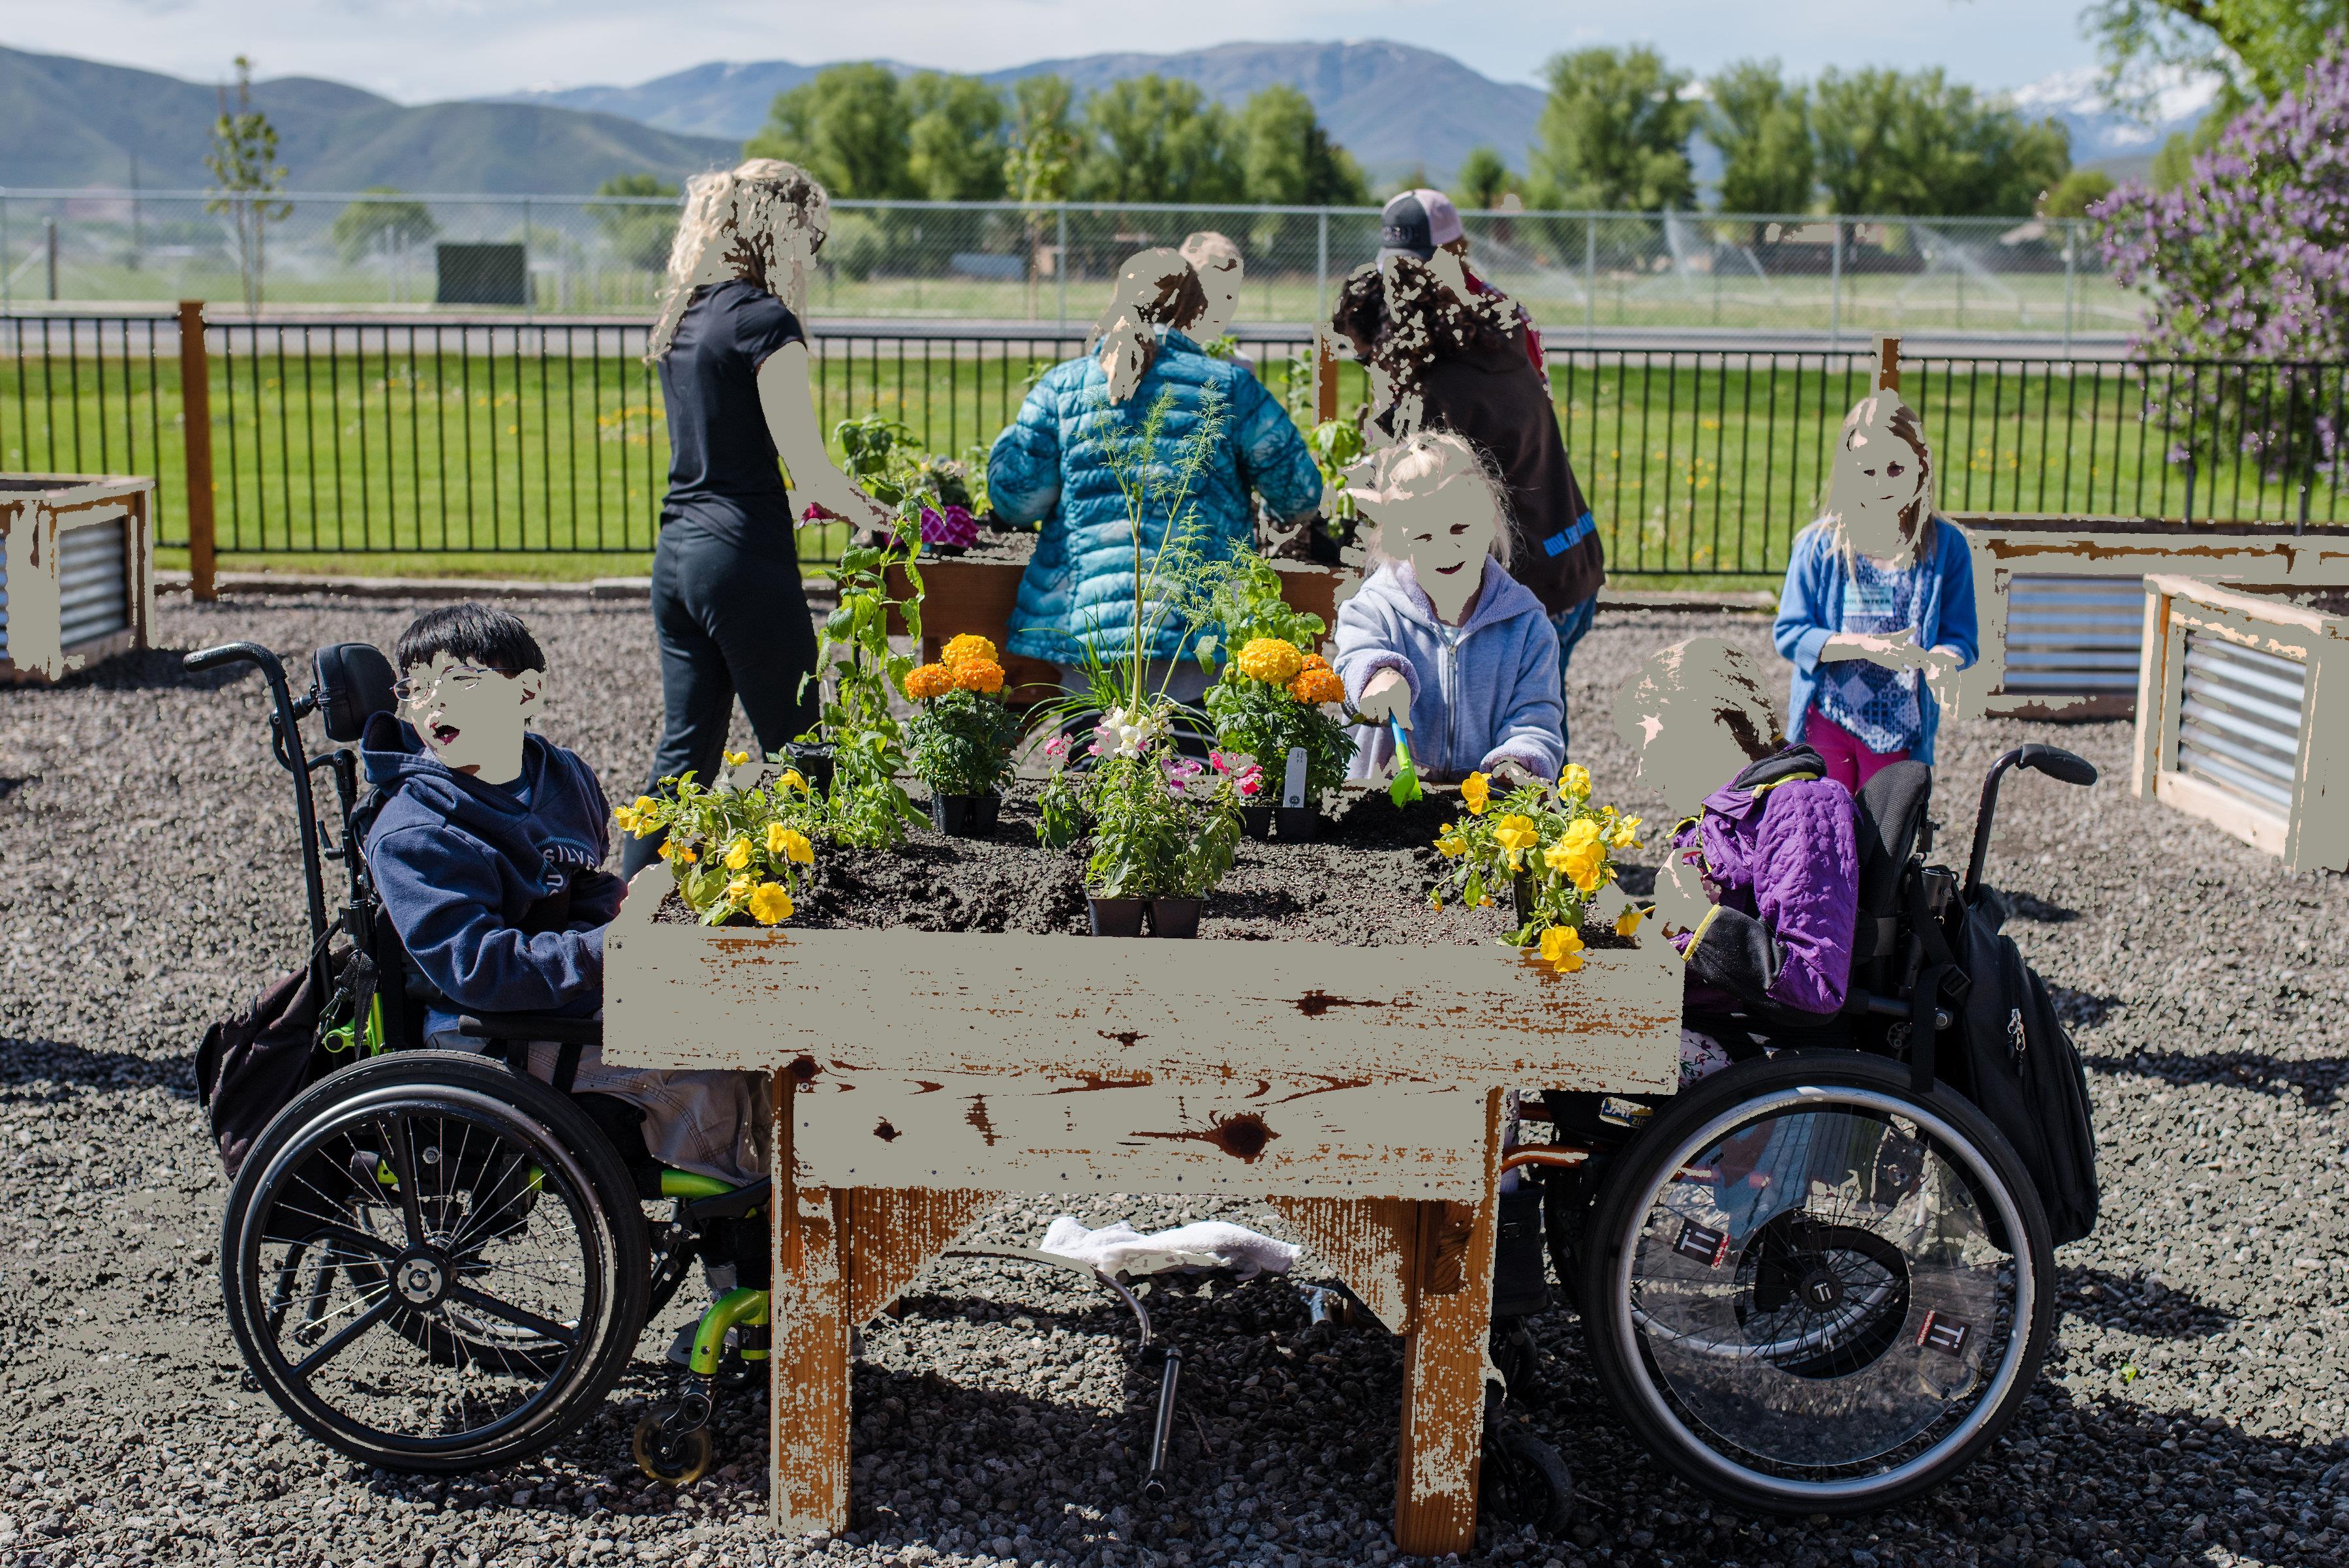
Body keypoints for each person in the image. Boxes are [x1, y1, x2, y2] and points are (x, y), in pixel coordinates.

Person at [361, 604, 760, 1184]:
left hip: (562, 995)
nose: (433, 703)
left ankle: (776, 1204)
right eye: (416, 689)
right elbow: (479, 969)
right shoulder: (415, 834)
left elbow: (583, 883)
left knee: (755, 1034)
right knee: (707, 1076)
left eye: (461, 682)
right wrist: (611, 950)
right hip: (486, 1033)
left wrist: (640, 916)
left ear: (526, 694)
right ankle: (743, 1254)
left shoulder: (559, 776)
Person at [624, 159, 893, 877]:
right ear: (787, 231)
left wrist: (805, 492)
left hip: (678, 555)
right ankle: (829, 912)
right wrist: (886, 517)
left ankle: (619, 922)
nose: (817, 256)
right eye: (817, 239)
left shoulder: (689, 315)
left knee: (683, 760)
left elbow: (730, 442)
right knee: (804, 752)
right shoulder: (764, 322)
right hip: (742, 560)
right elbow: (810, 467)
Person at [990, 247, 1325, 699]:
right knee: (1196, 770)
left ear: (1117, 302)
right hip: (1198, 645)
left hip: (1086, 642)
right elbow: (1301, 496)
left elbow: (1016, 500)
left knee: (1091, 768)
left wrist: (1006, 442)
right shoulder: (1230, 387)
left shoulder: (1062, 387)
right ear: (1196, 310)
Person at [1330, 248, 1604, 754]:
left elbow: (1419, 491)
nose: (1370, 369)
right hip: (1573, 554)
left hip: (1534, 574)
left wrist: (1364, 491)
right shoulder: (1494, 350)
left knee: (1523, 726)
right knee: (1530, 723)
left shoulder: (1437, 394)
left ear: (1388, 339)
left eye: (1367, 355)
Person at [1613, 636, 1860, 1086]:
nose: (1641, 771)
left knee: (1499, 1027)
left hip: (1755, 1057)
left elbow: (1814, 984)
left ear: (1706, 724)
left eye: (1647, 742)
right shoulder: (1727, 815)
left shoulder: (1802, 805)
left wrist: (1700, 916)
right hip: (1713, 1029)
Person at [1773, 390, 1979, 793]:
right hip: (1827, 720)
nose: (1881, 484)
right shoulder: (1819, 546)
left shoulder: (1947, 548)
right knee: (1824, 829)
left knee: (1884, 843)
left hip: (1899, 731)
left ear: (1921, 466)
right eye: (1867, 472)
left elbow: (1960, 635)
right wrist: (1863, 647)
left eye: (1895, 469)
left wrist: (1942, 661)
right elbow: (1791, 633)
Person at [1332, 431, 1563, 785]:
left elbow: (1535, 715)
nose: (1444, 548)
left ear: (1488, 523)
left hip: (1483, 814)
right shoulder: (1375, 608)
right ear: (1398, 541)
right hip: (1382, 803)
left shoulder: (1526, 626)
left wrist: (1518, 761)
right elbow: (1356, 654)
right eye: (1424, 537)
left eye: (1459, 528)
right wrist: (1375, 675)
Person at [1378, 187, 1548, 389]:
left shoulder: (1506, 317)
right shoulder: (1393, 310)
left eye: (1419, 264)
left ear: (1459, 248)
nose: (1406, 276)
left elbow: (1536, 401)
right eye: (1396, 265)